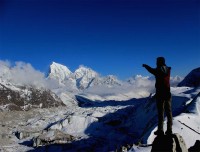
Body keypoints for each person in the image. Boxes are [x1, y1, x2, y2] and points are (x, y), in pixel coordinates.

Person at [143, 57, 172, 135]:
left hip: (160, 94)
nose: (156, 63)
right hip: (167, 93)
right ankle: (169, 130)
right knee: (168, 112)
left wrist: (146, 66)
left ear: (159, 62)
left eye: (156, 61)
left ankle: (160, 130)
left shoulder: (158, 70)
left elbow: (151, 70)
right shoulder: (168, 69)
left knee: (160, 112)